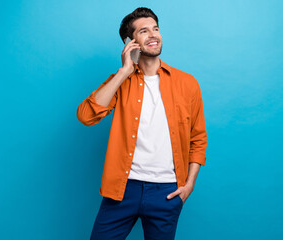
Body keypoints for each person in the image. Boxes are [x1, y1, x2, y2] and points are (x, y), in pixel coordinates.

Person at [77, 7, 207, 240]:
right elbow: (86, 116)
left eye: (155, 29)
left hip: (167, 191)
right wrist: (125, 70)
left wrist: (189, 185)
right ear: (130, 42)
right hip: (122, 189)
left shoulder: (188, 83)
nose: (153, 35)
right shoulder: (121, 82)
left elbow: (198, 138)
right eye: (144, 31)